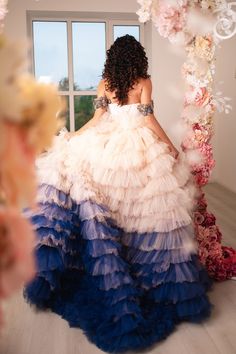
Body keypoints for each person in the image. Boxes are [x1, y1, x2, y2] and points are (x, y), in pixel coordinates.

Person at [24, 35, 213, 353]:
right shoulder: (144, 81)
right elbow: (148, 118)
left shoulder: (105, 83)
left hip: (109, 145)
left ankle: (113, 262)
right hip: (138, 143)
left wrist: (72, 137)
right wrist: (169, 147)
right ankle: (143, 267)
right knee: (144, 208)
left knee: (112, 205)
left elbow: (98, 119)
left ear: (112, 59)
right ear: (138, 57)